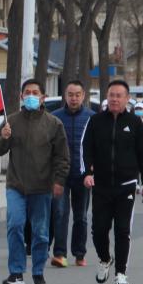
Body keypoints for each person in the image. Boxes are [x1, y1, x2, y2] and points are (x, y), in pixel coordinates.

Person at [0, 79, 69, 284]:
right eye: (27, 92)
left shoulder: (54, 124)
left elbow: (62, 157)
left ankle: (38, 271)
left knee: (41, 232)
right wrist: (3, 138)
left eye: (35, 93)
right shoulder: (11, 121)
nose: (31, 96)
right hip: (16, 185)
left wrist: (59, 180)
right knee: (15, 225)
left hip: (42, 186)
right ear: (21, 96)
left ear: (43, 97)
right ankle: (16, 272)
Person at [82, 80, 143, 284]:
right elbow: (85, 149)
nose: (114, 99)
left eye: (119, 96)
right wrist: (87, 173)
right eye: (111, 95)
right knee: (99, 229)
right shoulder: (95, 121)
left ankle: (121, 273)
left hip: (126, 185)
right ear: (107, 97)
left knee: (123, 230)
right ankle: (105, 258)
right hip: (101, 185)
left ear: (127, 99)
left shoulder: (135, 123)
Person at [49, 80, 93, 268]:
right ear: (65, 96)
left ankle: (79, 253)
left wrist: (93, 170)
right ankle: (60, 254)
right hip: (60, 175)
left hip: (83, 175)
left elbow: (98, 147)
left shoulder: (92, 118)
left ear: (83, 96)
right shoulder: (54, 118)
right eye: (70, 95)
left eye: (77, 95)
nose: (74, 98)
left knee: (81, 216)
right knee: (59, 213)